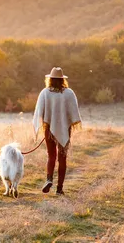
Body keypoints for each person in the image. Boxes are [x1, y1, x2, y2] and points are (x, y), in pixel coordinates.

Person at [33, 67, 81, 195]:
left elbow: (39, 111)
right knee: (62, 158)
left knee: (51, 155)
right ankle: (59, 189)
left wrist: (47, 121)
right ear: (62, 80)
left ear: (50, 79)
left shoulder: (45, 92)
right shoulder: (69, 93)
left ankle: (49, 179)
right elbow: (73, 112)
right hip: (64, 129)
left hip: (49, 129)